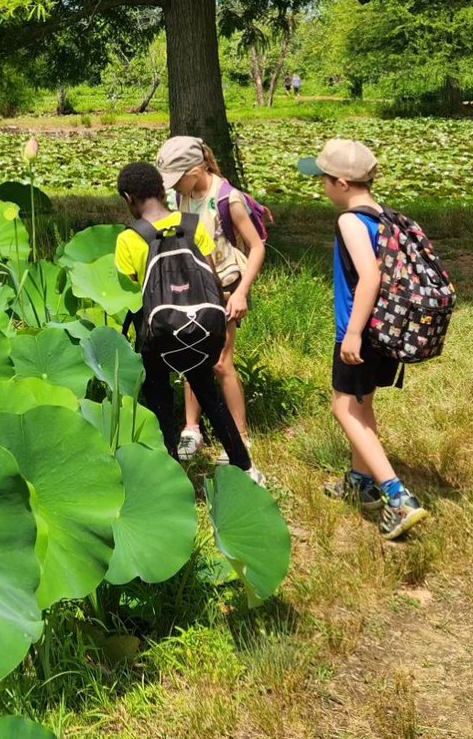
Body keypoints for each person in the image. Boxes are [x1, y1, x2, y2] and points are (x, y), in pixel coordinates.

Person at [297, 139, 429, 539]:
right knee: (361, 405)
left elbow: (369, 277)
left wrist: (352, 333)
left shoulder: (350, 221)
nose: (321, 186)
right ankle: (361, 482)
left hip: (360, 331)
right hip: (385, 329)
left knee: (343, 409)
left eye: (322, 179)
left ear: (340, 182)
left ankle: (397, 496)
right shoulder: (385, 216)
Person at [114, 161, 265, 485]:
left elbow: (131, 290)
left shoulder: (129, 239)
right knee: (208, 394)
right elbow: (208, 273)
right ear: (161, 188)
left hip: (159, 332)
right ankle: (245, 466)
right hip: (200, 327)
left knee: (158, 395)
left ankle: (170, 471)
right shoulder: (193, 224)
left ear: (129, 198)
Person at [156, 136, 264, 462]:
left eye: (178, 179)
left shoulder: (229, 200)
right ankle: (192, 428)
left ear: (196, 169)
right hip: (195, 287)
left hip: (229, 287)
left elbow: (257, 247)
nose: (175, 187)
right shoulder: (181, 196)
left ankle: (241, 435)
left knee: (220, 362)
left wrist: (242, 292)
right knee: (192, 357)